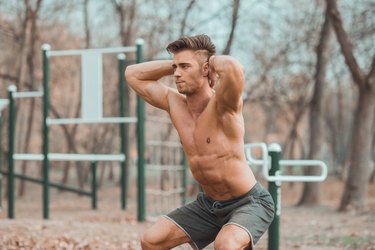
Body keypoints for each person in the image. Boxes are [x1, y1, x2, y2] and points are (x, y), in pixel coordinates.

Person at [125, 34, 274, 250]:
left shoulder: (223, 105)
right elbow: (132, 74)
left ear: (205, 70)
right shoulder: (173, 103)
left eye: (185, 67)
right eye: (175, 67)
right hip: (207, 205)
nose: (177, 74)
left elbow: (233, 68)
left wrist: (211, 62)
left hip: (249, 202)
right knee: (151, 240)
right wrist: (176, 64)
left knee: (225, 244)